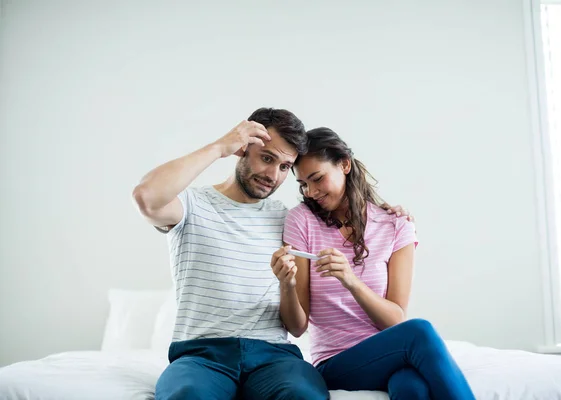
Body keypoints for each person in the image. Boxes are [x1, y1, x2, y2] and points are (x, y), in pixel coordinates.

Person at [132, 108, 409, 400]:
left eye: (284, 167)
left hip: (274, 356)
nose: (272, 175)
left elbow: (347, 213)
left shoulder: (289, 220)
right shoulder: (191, 205)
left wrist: (388, 212)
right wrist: (219, 147)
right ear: (242, 149)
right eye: (267, 158)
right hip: (202, 355)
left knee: (304, 396)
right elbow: (146, 197)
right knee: (187, 396)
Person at [271, 127, 476, 400]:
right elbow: (298, 327)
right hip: (336, 361)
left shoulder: (395, 225)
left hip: (390, 353)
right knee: (420, 331)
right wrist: (287, 284)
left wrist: (350, 280)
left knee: (411, 387)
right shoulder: (302, 221)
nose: (311, 192)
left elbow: (394, 321)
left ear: (344, 164)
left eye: (317, 179)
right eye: (303, 184)